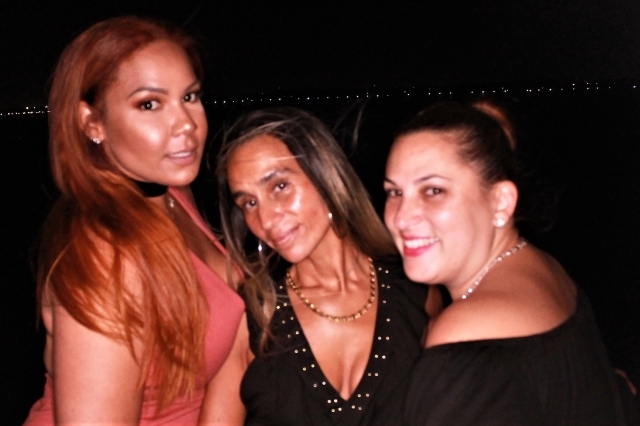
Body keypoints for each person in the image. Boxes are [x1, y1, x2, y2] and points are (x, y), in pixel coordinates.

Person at [23, 16, 245, 425]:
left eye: (190, 97)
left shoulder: (169, 195)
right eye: (149, 104)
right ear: (92, 122)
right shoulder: (105, 258)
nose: (186, 124)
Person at [383, 100, 639, 425]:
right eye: (394, 192)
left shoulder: (465, 342)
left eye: (433, 190)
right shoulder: (544, 268)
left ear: (501, 201)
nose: (401, 218)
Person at [206, 107, 429, 425]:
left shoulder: (415, 289)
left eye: (279, 186)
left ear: (325, 175)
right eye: (249, 203)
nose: (265, 220)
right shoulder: (252, 315)